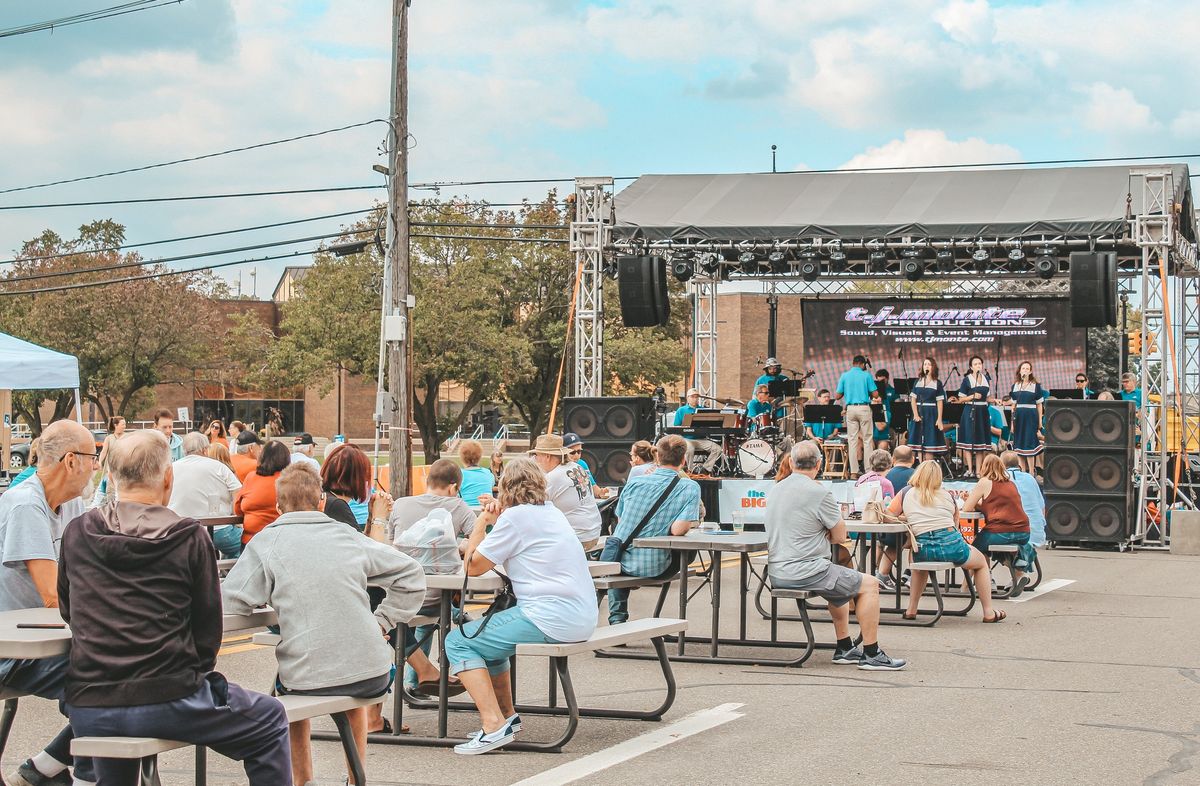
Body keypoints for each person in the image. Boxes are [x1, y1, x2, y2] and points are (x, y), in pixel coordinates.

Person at [60, 429, 291, 785]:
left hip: (91, 702)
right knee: (270, 720)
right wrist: (191, 675)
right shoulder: (188, 536)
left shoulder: (78, 532)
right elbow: (207, 629)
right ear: (168, 478)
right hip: (168, 696)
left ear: (112, 478)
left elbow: (69, 610)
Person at [223, 463, 425, 786]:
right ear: (321, 502)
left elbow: (231, 601)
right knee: (351, 686)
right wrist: (382, 621)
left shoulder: (268, 542)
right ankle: (355, 777)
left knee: (284, 689)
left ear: (278, 506)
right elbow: (412, 575)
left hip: (308, 677)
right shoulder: (348, 536)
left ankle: (304, 779)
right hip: (372, 673)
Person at [444, 458, 597, 755]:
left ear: (505, 487)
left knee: (460, 641)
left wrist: (480, 522)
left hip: (551, 616)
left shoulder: (517, 518)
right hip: (578, 614)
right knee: (487, 639)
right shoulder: (550, 513)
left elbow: (473, 567)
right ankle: (507, 717)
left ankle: (492, 724)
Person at [0, 421, 97, 786]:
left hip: (56, 639)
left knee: (135, 670)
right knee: (108, 680)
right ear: (71, 461)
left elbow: (90, 568)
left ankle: (44, 768)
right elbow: (52, 594)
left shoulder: (71, 504)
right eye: (93, 456)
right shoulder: (25, 504)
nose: (96, 465)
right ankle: (74, 773)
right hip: (17, 652)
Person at [764, 441, 906, 670]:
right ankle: (871, 653)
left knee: (840, 579)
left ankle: (845, 646)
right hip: (806, 570)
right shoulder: (818, 492)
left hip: (777, 570)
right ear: (820, 464)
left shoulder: (776, 489)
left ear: (791, 462)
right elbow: (840, 536)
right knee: (870, 584)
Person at [388, 459, 477, 699]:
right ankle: (420, 679)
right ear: (453, 487)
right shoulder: (457, 506)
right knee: (444, 609)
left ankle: (414, 681)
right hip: (436, 598)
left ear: (427, 482)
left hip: (398, 597)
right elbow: (479, 540)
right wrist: (460, 547)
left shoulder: (400, 505)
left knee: (426, 610)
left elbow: (391, 544)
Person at [886, 460, 1004, 622]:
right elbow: (955, 525)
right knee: (981, 562)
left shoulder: (906, 493)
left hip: (923, 547)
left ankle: (911, 609)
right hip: (951, 545)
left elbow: (888, 516)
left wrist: (907, 518)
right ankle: (988, 612)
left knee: (918, 565)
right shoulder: (947, 495)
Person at [606, 435, 701, 625]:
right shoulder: (689, 487)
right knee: (686, 550)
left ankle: (617, 618)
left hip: (618, 562)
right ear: (683, 460)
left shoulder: (634, 482)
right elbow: (677, 530)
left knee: (622, 543)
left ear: (657, 457)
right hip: (658, 566)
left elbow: (622, 518)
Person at [964, 454, 1035, 597]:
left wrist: (969, 500)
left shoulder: (984, 482)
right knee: (993, 544)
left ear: (984, 467)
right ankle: (1018, 574)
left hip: (1001, 530)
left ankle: (979, 582)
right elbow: (997, 507)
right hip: (1023, 531)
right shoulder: (1010, 483)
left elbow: (966, 509)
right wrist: (980, 505)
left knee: (977, 548)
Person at [168, 432, 243, 559]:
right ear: (205, 449)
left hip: (181, 532)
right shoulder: (219, 467)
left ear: (184, 449)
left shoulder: (171, 468)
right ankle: (230, 573)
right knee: (246, 544)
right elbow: (238, 492)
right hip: (219, 531)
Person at [528, 434, 602, 549]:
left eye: (537, 455)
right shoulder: (576, 467)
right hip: (592, 532)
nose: (535, 459)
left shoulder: (554, 477)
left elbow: (530, 506)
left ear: (547, 456)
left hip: (577, 538)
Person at [233, 440, 290, 544]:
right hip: (279, 541)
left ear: (262, 457)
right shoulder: (290, 480)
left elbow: (237, 508)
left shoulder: (251, 477)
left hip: (251, 540)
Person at [835, 355, 877, 477]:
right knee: (867, 440)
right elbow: (875, 394)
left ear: (853, 363)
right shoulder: (866, 375)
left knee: (852, 440)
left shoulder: (844, 375)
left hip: (850, 409)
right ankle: (868, 471)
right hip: (863, 408)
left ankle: (853, 472)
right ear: (863, 364)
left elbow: (837, 396)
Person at [955, 355, 993, 478]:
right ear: (971, 367)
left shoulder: (986, 378)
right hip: (970, 410)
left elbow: (987, 397)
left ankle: (978, 471)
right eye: (975, 364)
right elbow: (960, 399)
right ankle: (969, 469)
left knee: (980, 443)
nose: (978, 366)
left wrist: (995, 400)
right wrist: (971, 396)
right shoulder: (967, 380)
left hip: (982, 411)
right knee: (968, 440)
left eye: (979, 364)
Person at [1001, 450, 1047, 547]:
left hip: (1015, 533)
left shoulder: (1001, 478)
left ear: (1001, 464)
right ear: (1018, 463)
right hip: (1037, 534)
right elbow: (1042, 507)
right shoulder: (1030, 478)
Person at [1009, 361, 1047, 474]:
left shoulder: (1036, 386)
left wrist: (1040, 421)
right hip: (1019, 417)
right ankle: (1022, 471)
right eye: (1023, 368)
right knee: (1019, 443)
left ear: (1030, 371)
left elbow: (1039, 405)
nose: (1025, 370)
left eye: (1027, 368)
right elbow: (1013, 406)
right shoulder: (1015, 386)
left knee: (1029, 443)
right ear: (1019, 371)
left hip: (1031, 416)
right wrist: (1012, 423)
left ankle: (1031, 472)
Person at [673, 389, 721, 474]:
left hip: (701, 439)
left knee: (717, 449)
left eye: (696, 397)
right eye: (692, 397)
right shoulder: (681, 410)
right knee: (689, 449)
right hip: (686, 439)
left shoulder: (703, 410)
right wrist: (685, 426)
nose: (695, 399)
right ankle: (689, 471)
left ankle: (706, 469)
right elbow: (676, 426)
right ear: (687, 398)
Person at [909, 357, 947, 462]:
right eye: (925, 364)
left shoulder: (937, 383)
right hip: (919, 412)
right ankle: (921, 466)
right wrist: (915, 414)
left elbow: (940, 402)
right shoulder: (918, 381)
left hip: (931, 413)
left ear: (933, 367)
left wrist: (939, 419)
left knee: (929, 443)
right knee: (918, 443)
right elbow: (913, 399)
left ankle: (928, 467)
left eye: (929, 364)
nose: (926, 366)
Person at [562, 433, 609, 498]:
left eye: (579, 451)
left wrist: (600, 492)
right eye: (572, 452)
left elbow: (592, 485)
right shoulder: (559, 467)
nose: (576, 455)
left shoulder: (582, 464)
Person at [458, 440, 495, 508]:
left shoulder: (459, 474)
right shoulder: (488, 473)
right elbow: (491, 485)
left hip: (468, 512)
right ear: (480, 456)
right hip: (486, 512)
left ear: (461, 457)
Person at [873, 369, 898, 444]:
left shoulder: (893, 391)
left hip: (888, 417)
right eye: (878, 380)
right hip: (876, 414)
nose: (881, 383)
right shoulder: (875, 392)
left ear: (887, 379)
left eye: (882, 380)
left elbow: (898, 406)